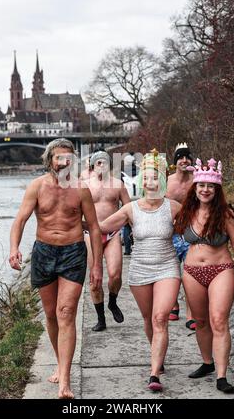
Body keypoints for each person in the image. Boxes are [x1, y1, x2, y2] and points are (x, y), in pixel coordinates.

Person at [9, 138, 102, 399]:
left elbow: (94, 227)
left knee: (66, 312)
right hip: (44, 252)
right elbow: (20, 220)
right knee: (51, 314)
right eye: (58, 158)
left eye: (68, 158)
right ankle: (60, 366)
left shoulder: (81, 190)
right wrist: (14, 248)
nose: (63, 163)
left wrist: (97, 265)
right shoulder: (37, 187)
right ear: (49, 160)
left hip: (73, 252)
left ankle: (65, 381)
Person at [98, 149, 181, 391]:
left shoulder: (174, 207)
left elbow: (197, 223)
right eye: (145, 177)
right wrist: (75, 217)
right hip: (140, 270)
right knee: (148, 319)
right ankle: (158, 354)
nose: (149, 182)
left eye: (154, 177)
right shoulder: (130, 209)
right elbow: (103, 225)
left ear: (162, 180)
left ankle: (154, 374)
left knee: (160, 318)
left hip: (167, 266)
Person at [175, 158, 234, 394]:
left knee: (218, 320)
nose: (205, 190)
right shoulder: (185, 212)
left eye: (210, 186)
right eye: (201, 185)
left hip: (221, 270)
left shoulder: (225, 214)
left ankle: (222, 375)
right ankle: (207, 363)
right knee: (201, 322)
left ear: (217, 190)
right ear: (195, 188)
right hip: (192, 272)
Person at [82, 149, 130, 331]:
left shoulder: (118, 184)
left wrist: (131, 230)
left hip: (112, 233)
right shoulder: (83, 185)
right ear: (93, 166)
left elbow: (129, 208)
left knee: (115, 274)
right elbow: (74, 210)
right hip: (90, 233)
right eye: (99, 162)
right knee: (95, 280)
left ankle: (112, 301)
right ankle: (101, 319)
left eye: (105, 162)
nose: (102, 165)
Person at [166, 142, 196, 329]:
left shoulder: (197, 180)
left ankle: (191, 313)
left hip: (192, 233)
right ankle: (174, 304)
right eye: (180, 157)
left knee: (190, 274)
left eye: (187, 157)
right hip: (170, 234)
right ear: (175, 162)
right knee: (171, 273)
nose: (184, 160)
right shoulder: (167, 182)